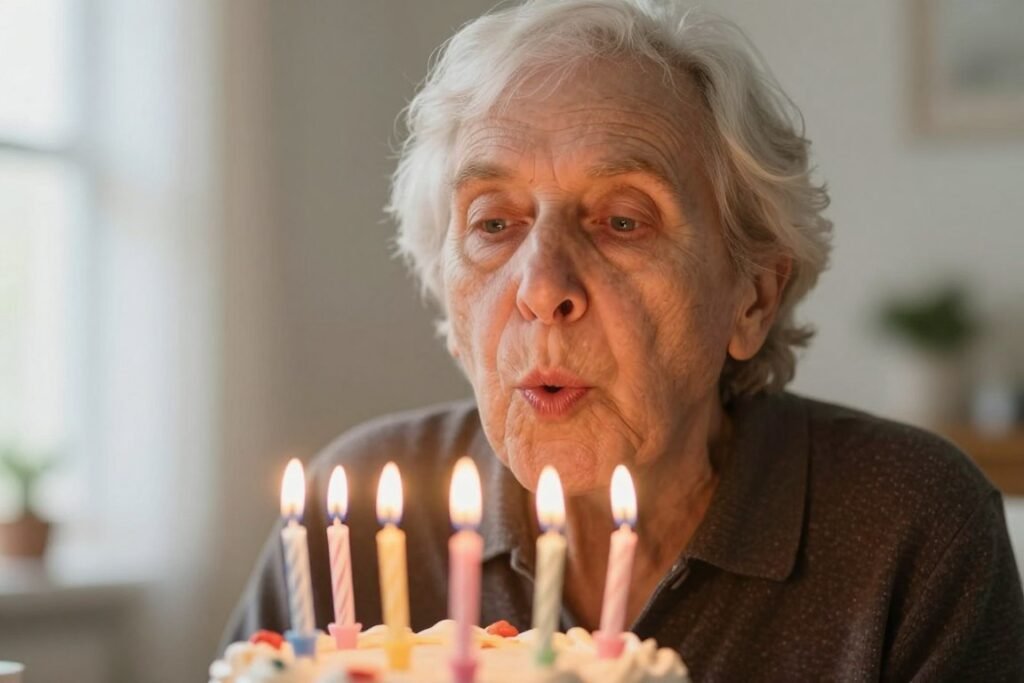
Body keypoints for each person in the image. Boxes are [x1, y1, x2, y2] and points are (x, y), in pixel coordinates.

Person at [224, 1, 1024, 679]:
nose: (542, 286)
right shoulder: (357, 519)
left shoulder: (909, 525)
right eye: (494, 223)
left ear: (752, 296)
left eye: (621, 220)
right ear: (448, 292)